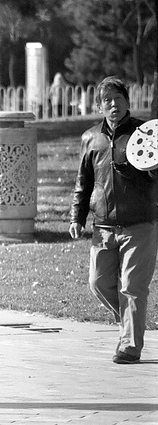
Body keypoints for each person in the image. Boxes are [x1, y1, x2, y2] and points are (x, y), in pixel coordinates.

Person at [69, 76, 158, 364]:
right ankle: (132, 322)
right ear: (99, 106)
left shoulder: (144, 135)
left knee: (132, 287)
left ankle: (130, 347)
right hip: (103, 226)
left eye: (118, 99)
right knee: (98, 282)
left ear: (127, 102)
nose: (113, 105)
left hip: (140, 223)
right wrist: (77, 216)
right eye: (107, 100)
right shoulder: (91, 138)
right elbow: (84, 181)